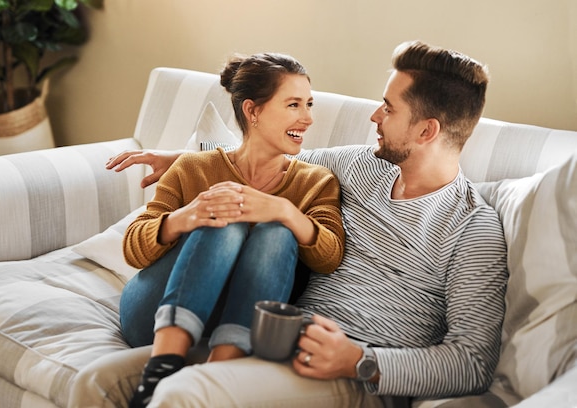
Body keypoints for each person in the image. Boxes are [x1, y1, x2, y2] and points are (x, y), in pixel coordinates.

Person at [106, 41, 508, 407]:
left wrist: (359, 361)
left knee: (184, 395)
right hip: (270, 336)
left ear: (426, 130)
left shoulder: (473, 229)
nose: (374, 116)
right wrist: (180, 157)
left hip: (350, 376)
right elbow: (267, 157)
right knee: (100, 381)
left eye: (388, 108)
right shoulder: (362, 165)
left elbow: (472, 363)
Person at [117, 52, 345, 407]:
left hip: (237, 322)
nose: (308, 118)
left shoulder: (315, 181)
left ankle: (219, 370)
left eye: (309, 104)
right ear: (253, 111)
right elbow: (133, 248)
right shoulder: (193, 167)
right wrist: (187, 216)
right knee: (223, 218)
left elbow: (330, 257)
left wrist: (285, 211)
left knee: (277, 231)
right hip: (152, 317)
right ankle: (158, 371)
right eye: (294, 105)